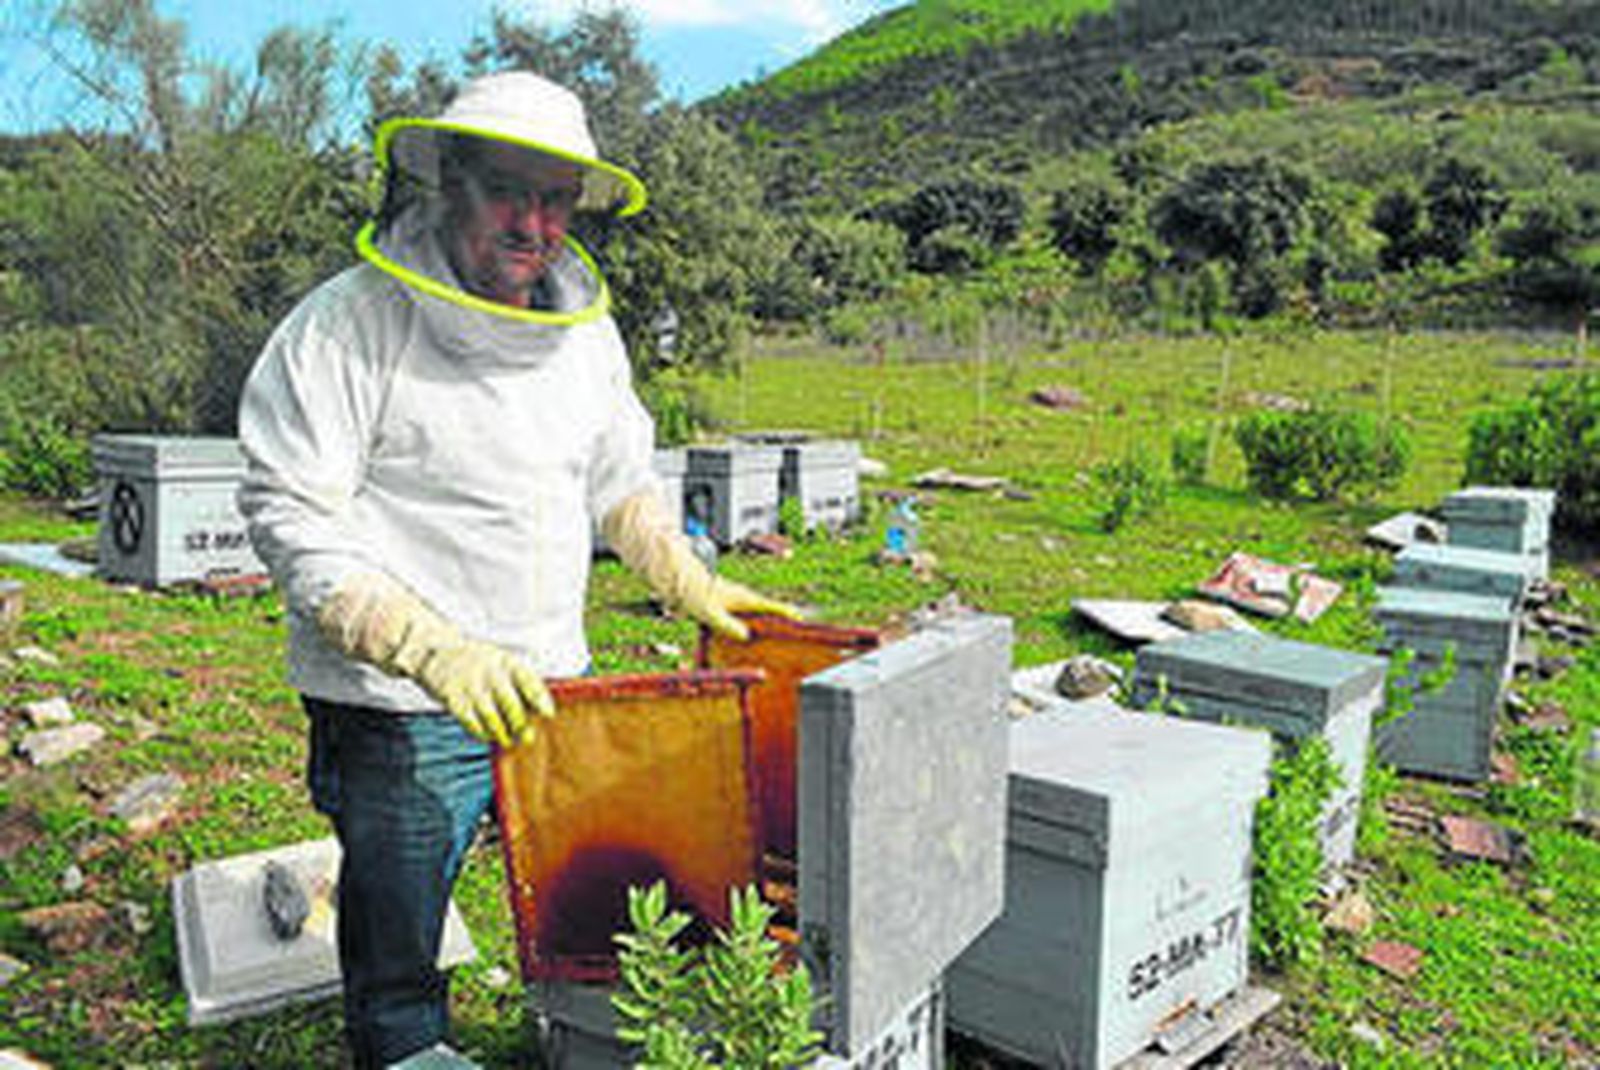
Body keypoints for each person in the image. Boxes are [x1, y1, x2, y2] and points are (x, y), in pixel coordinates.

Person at [236, 70, 798, 1068]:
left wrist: (681, 572)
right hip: (394, 700)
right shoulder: (344, 326)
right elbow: (290, 511)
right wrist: (428, 647)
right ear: (448, 180)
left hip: (550, 677)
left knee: (584, 901)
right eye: (507, 190)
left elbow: (618, 475)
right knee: (400, 934)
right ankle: (402, 1044)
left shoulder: (582, 331)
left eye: (555, 198)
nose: (533, 223)